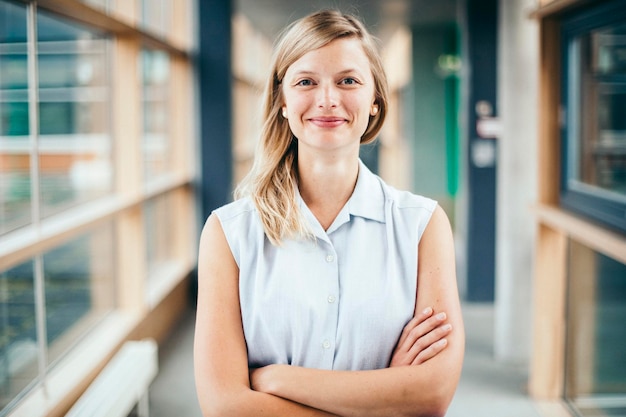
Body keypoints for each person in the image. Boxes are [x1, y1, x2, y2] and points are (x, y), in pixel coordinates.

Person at [194, 9, 464, 417]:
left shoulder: (421, 225)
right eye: (306, 82)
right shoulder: (229, 233)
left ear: (375, 100)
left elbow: (431, 394)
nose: (327, 100)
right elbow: (225, 407)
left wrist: (275, 379)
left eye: (348, 81)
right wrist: (385, 398)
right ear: (282, 101)